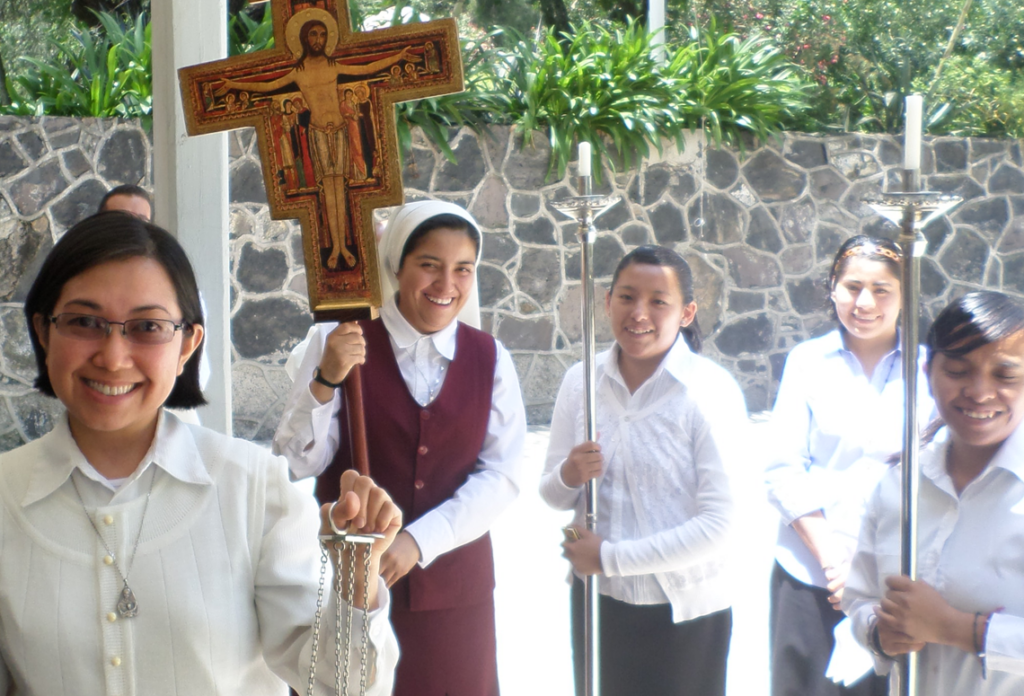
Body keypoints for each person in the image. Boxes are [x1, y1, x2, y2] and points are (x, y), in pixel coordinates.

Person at [0, 211, 401, 695]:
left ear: (188, 344)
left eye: (147, 326)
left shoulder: (252, 488)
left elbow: (345, 687)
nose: (112, 356)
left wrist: (358, 582)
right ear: (44, 332)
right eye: (84, 322)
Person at [273, 200, 527, 696]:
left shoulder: (490, 357)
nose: (445, 284)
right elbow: (297, 461)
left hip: (453, 589)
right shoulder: (339, 338)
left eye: (462, 270)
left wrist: (418, 541)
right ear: (397, 265)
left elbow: (502, 476)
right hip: (350, 581)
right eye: (429, 265)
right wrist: (327, 379)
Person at [539, 245, 748, 696]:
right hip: (598, 601)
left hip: (684, 608)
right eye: (627, 297)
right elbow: (552, 495)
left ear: (687, 312)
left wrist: (610, 558)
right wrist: (570, 476)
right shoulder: (582, 381)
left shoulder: (709, 392)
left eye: (659, 301)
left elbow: (721, 525)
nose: (639, 313)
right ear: (607, 299)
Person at [765, 235, 934, 695]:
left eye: (882, 290)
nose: (865, 302)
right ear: (832, 288)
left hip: (896, 580)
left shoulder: (930, 369)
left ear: (905, 295)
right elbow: (782, 469)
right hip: (810, 574)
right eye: (852, 286)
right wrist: (835, 564)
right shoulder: (807, 362)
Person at [844, 290, 1024, 695]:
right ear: (927, 371)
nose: (979, 392)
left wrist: (956, 628)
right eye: (958, 371)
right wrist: (878, 633)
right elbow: (860, 599)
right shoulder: (898, 486)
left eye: (1005, 375)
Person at [217, 11, 417, 270]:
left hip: (341, 132)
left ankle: (344, 245)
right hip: (318, 133)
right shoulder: (297, 72)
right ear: (303, 38)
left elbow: (366, 68)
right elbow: (268, 86)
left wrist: (397, 57)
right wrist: (233, 84)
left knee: (341, 192)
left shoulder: (333, 65)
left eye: (322, 34)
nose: (318, 39)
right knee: (328, 193)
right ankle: (335, 246)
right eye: (313, 34)